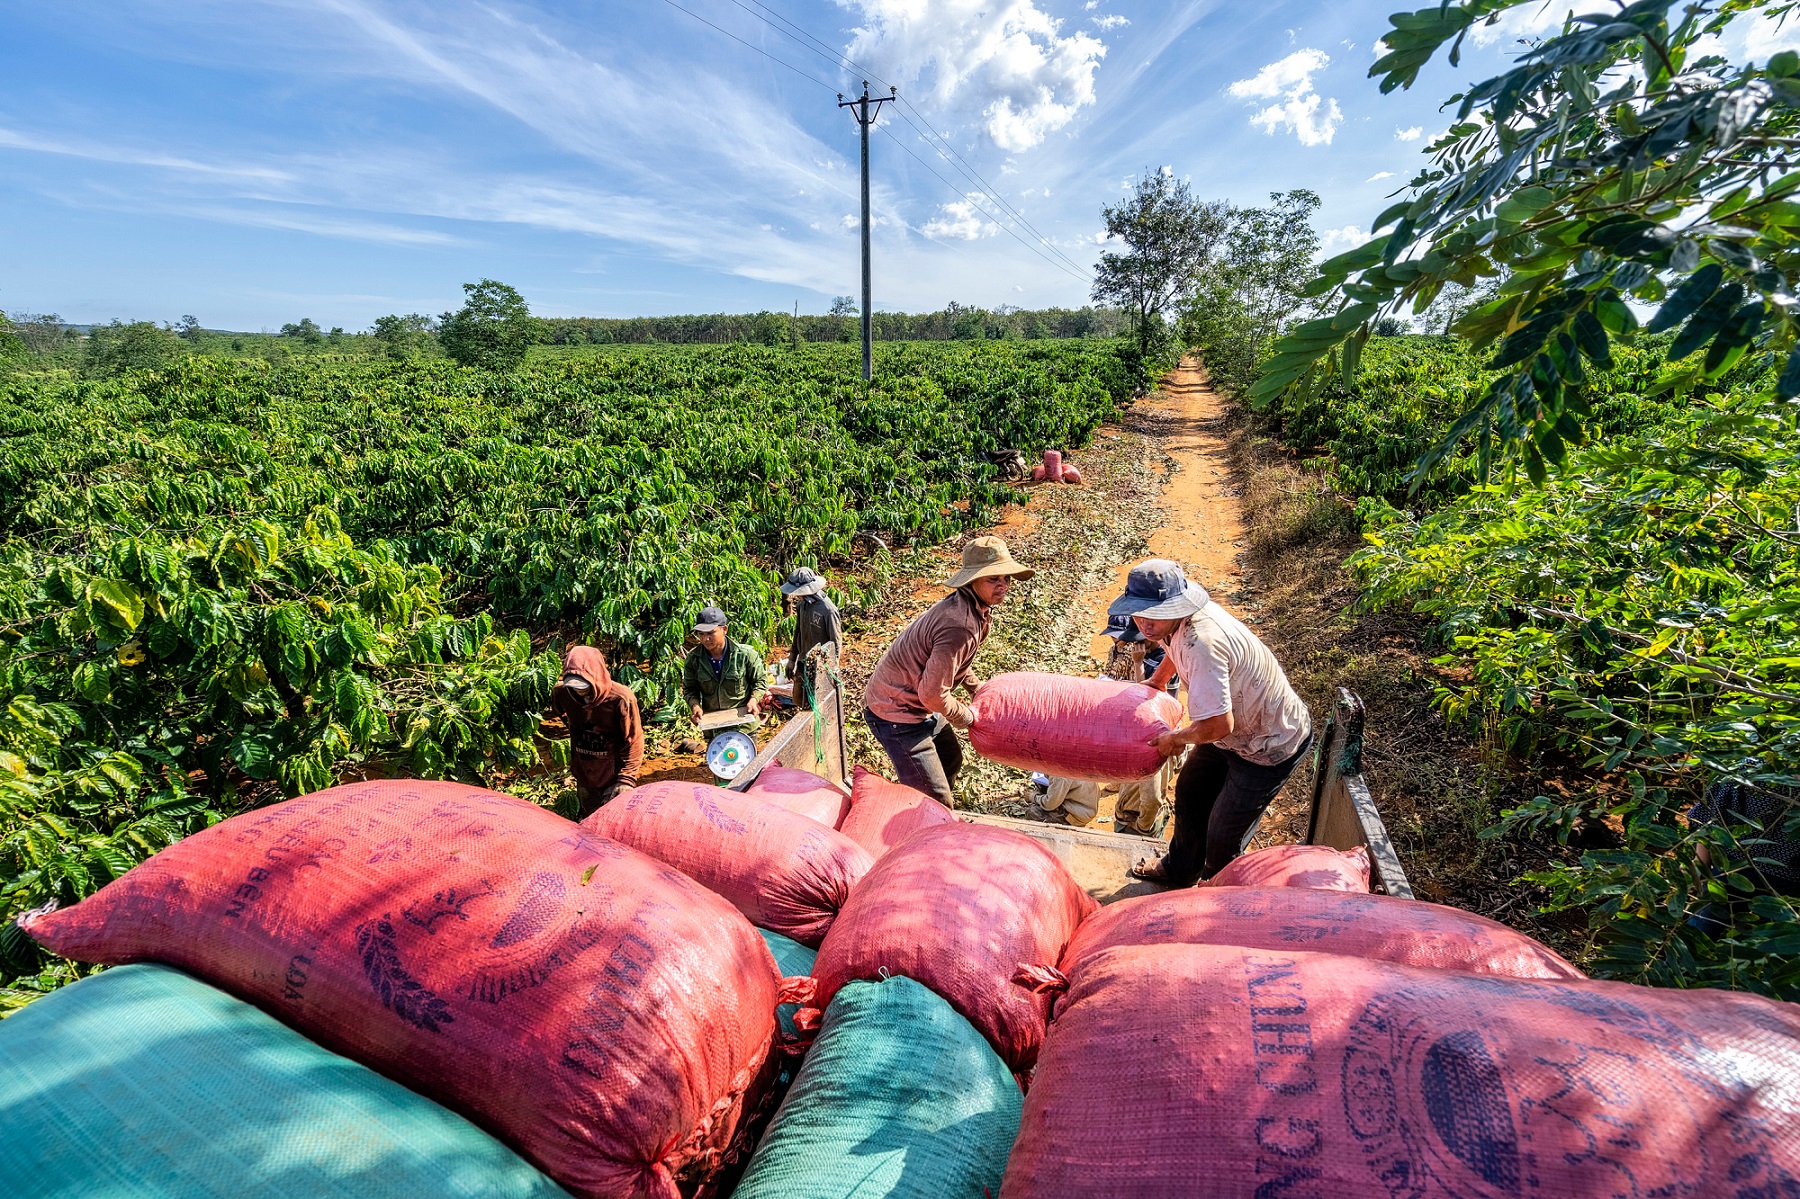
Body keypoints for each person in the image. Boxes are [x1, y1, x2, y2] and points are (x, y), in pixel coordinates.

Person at [1109, 559, 1313, 886]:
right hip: (1234, 733)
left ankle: (1217, 895)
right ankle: (1180, 870)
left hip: (1269, 743)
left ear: (1176, 607)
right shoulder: (1168, 624)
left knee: (1223, 835)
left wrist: (1175, 739)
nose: (1145, 623)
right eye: (1138, 611)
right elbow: (1173, 651)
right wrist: (1159, 681)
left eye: (1154, 613)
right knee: (1190, 791)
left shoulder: (1201, 643)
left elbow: (1219, 725)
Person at [863, 535, 1033, 806]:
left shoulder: (973, 609)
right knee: (936, 799)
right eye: (993, 579)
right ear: (972, 580)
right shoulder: (960, 624)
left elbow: (952, 663)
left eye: (1007, 578)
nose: (1004, 586)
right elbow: (932, 695)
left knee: (951, 758)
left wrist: (976, 689)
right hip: (897, 713)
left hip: (917, 702)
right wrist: (969, 717)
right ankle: (928, 818)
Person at [547, 646, 644, 818]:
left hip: (613, 773)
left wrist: (626, 779)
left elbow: (634, 739)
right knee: (590, 819)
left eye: (583, 685)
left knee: (613, 821)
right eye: (573, 686)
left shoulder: (620, 699)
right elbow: (560, 711)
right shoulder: (562, 693)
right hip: (585, 771)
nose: (579, 690)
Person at [681, 604, 769, 721]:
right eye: (701, 634)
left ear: (724, 630)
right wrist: (695, 706)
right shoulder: (693, 659)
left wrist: (754, 700)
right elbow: (690, 689)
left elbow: (760, 681)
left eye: (710, 633)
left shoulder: (745, 654)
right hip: (713, 723)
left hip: (743, 722)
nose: (705, 639)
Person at [777, 567, 843, 703]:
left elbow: (835, 642)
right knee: (799, 700)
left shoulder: (828, 610)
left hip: (820, 666)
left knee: (818, 703)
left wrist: (832, 668)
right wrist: (791, 659)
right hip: (803, 660)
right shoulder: (802, 604)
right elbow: (798, 632)